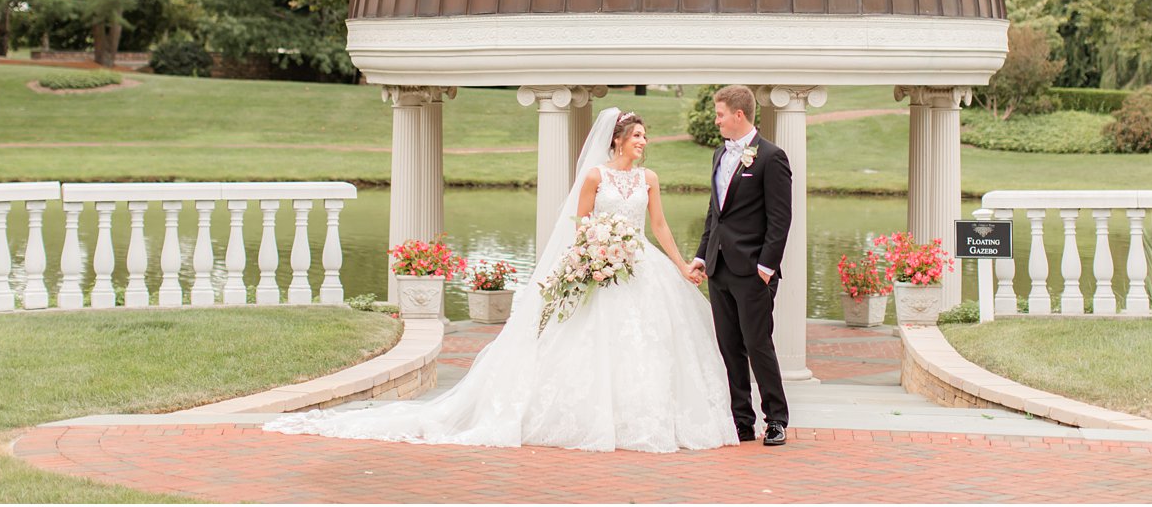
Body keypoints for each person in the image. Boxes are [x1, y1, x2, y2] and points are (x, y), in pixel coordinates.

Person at [265, 108, 738, 453]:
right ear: (616, 140)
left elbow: (659, 227)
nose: (643, 142)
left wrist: (680, 265)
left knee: (650, 344)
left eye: (645, 137)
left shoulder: (649, 178)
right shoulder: (595, 177)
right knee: (591, 343)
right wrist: (592, 256)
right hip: (601, 266)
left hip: (640, 267)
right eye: (637, 136)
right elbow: (578, 226)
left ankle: (647, 419)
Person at [689, 84, 792, 446]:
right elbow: (714, 213)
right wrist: (702, 256)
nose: (715, 121)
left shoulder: (771, 157)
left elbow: (780, 219)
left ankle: (776, 419)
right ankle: (741, 422)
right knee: (729, 346)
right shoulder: (720, 154)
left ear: (738, 114)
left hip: (753, 272)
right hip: (719, 269)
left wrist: (766, 267)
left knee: (758, 343)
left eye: (719, 115)